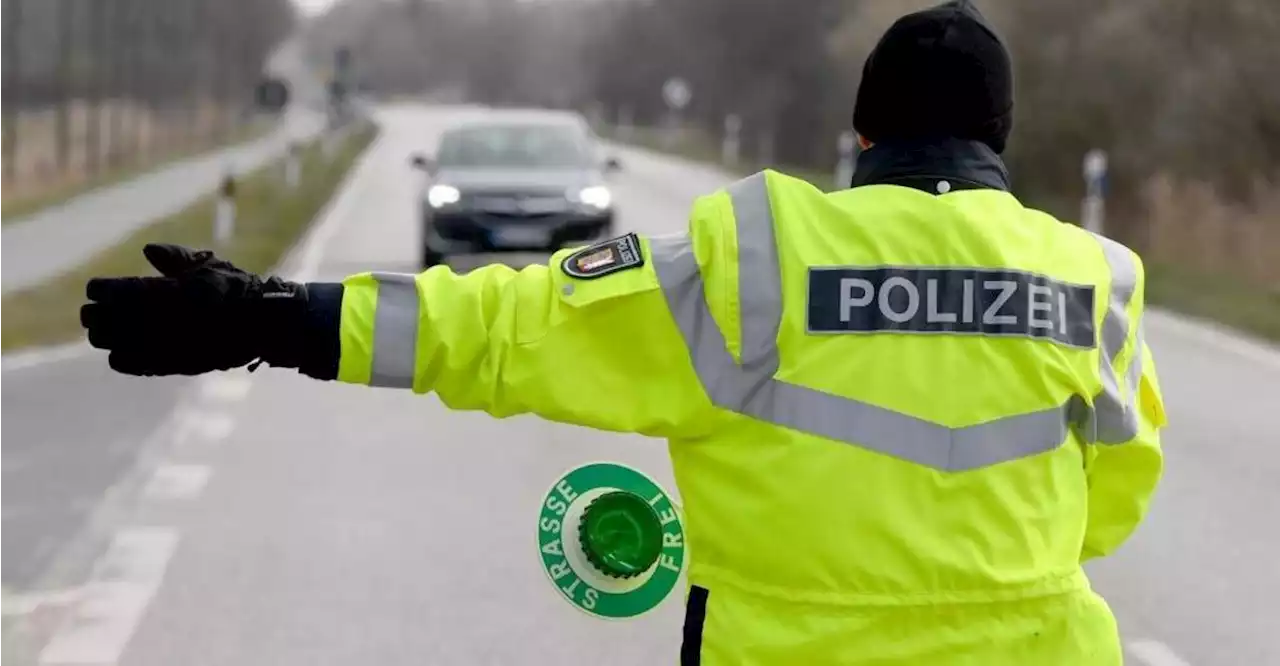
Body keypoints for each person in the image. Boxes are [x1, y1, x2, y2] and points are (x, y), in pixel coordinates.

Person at [79, 1, 1166, 664]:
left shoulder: (763, 256)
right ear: (998, 140)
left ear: (862, 129)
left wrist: (280, 319)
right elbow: (1112, 503)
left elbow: (512, 324)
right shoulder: (1092, 278)